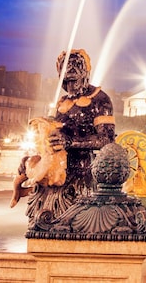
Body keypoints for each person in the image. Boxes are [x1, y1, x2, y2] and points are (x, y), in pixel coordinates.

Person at [18, 49, 115, 227]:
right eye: (65, 81)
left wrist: (71, 142)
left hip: (84, 176)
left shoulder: (100, 100)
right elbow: (54, 139)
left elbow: (106, 140)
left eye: (73, 80)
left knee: (73, 225)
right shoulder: (62, 102)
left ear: (85, 73)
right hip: (57, 174)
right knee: (44, 223)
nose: (69, 86)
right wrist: (33, 159)